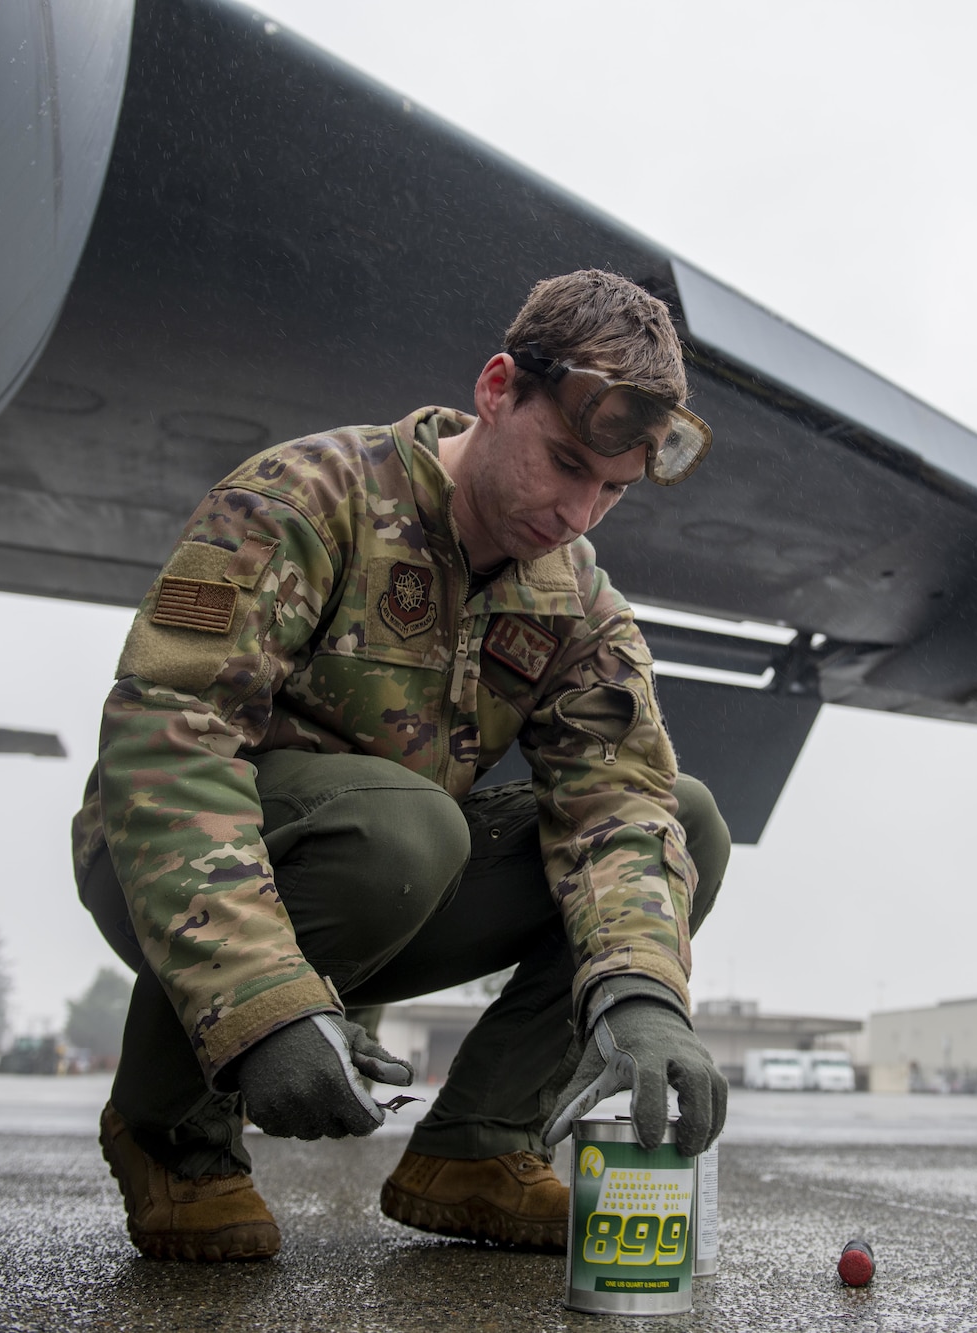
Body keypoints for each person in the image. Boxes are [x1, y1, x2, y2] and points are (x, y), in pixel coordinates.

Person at [70, 270, 731, 1261]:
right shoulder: (298, 500)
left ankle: (476, 1149)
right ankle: (173, 1136)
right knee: (406, 827)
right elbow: (165, 738)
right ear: (497, 388)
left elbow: (619, 807)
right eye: (561, 463)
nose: (576, 514)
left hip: (391, 884)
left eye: (610, 491)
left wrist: (640, 994)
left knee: (682, 818)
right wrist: (265, 1006)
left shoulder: (575, 601)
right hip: (159, 862)